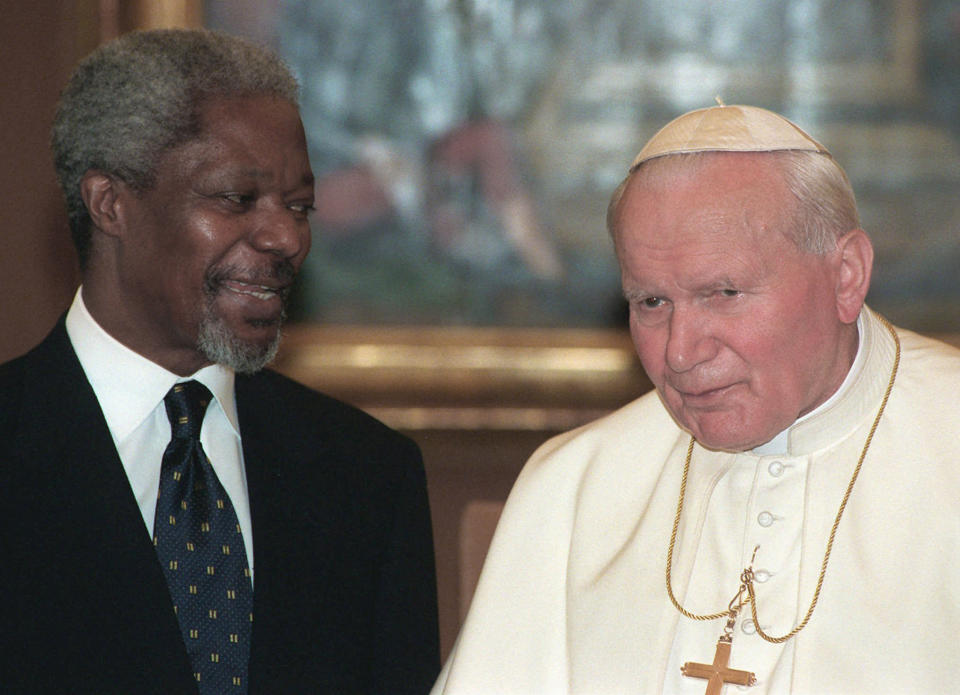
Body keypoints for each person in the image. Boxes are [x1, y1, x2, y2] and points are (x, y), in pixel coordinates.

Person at [432, 104, 960, 694]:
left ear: (845, 275)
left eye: (724, 292)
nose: (681, 353)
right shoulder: (572, 486)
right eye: (652, 303)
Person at [0, 29, 439, 694]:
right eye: (238, 199)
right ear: (110, 203)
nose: (286, 236)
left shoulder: (369, 477)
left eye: (299, 206)